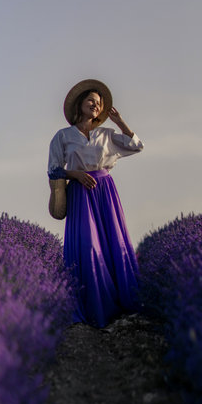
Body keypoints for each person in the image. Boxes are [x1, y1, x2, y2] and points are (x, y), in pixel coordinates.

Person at [47, 79, 144, 328]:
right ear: (80, 104)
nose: (96, 105)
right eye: (91, 100)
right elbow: (54, 169)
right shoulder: (63, 136)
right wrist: (75, 174)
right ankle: (95, 306)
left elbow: (136, 146)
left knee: (114, 243)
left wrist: (120, 122)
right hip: (81, 193)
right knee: (88, 247)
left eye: (99, 103)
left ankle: (123, 304)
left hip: (105, 192)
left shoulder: (106, 134)